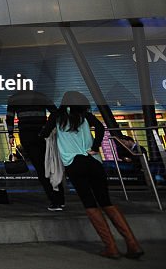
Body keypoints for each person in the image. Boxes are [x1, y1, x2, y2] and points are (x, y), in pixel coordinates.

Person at [41, 91, 143, 259]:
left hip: (74, 163)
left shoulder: (57, 116)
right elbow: (101, 129)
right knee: (106, 201)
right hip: (94, 161)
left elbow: (44, 134)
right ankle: (133, 244)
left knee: (90, 203)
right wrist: (95, 146)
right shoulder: (85, 115)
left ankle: (111, 247)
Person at [6, 91, 64, 210]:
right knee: (52, 165)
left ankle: (54, 201)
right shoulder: (40, 95)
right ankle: (60, 198)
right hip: (44, 135)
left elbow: (10, 117)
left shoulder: (14, 98)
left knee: (40, 168)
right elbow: (55, 112)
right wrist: (47, 127)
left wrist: (11, 134)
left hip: (27, 136)